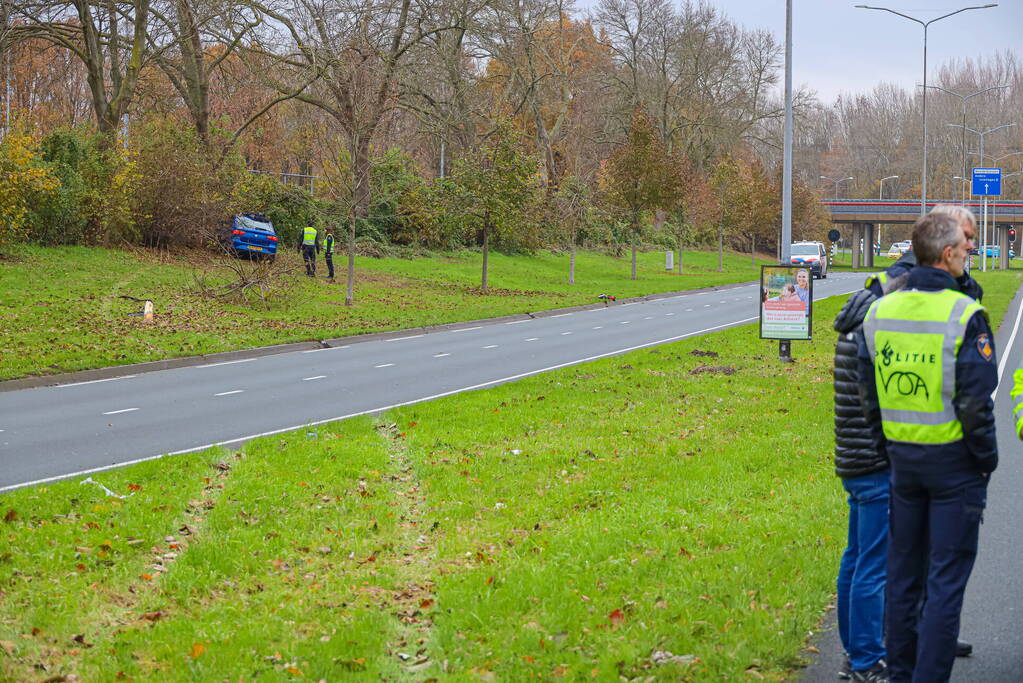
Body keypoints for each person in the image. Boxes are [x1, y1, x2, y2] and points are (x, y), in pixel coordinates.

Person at [832, 206, 981, 682]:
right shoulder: (900, 302)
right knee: (882, 563)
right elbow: (886, 384)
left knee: (863, 556)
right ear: (941, 247)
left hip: (864, 446)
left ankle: (873, 649)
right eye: (965, 239)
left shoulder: (877, 294)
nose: (971, 249)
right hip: (886, 452)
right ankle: (865, 659)